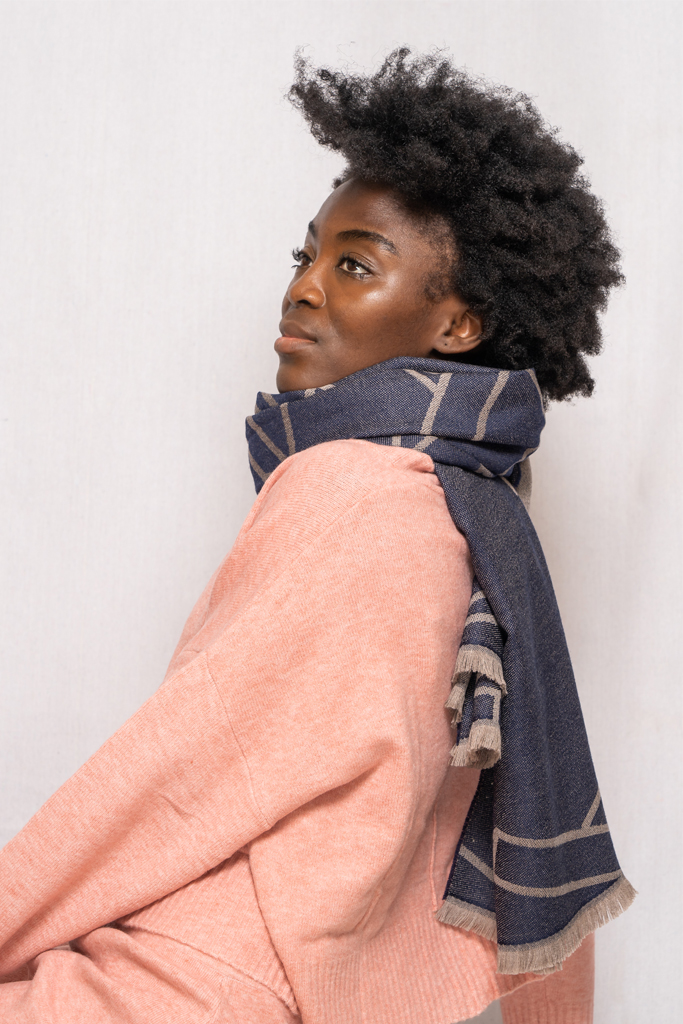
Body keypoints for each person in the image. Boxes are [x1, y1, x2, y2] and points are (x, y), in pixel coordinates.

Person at [0, 50, 633, 1023]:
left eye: (353, 265)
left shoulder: (351, 491)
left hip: (195, 986)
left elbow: (178, 775)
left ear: (457, 323)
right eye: (305, 257)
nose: (302, 288)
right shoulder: (468, 511)